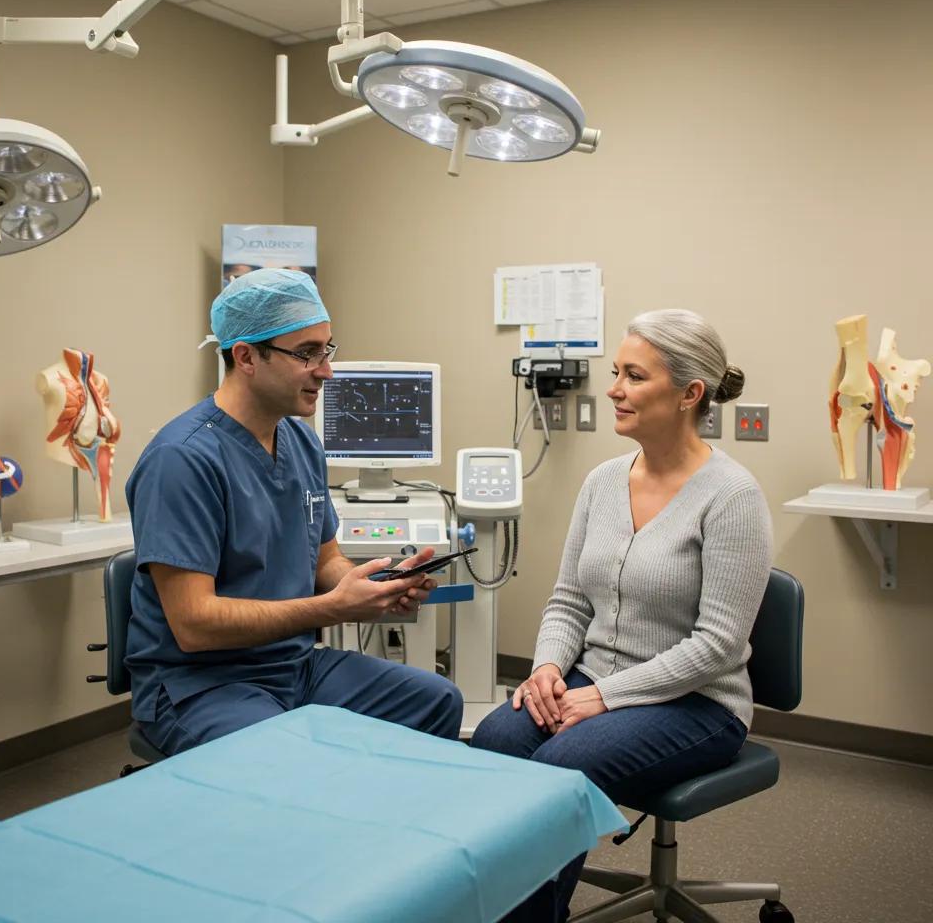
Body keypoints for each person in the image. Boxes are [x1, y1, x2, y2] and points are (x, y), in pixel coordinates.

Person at [472, 309, 772, 923]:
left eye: (633, 376)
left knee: (560, 770)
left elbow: (716, 646)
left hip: (698, 703)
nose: (613, 389)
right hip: (594, 683)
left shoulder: (733, 496)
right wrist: (549, 669)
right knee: (496, 741)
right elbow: (569, 599)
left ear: (690, 394)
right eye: (615, 373)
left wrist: (603, 697)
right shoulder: (603, 481)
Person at [125, 268, 463, 754]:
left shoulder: (301, 441)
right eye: (306, 353)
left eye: (327, 349)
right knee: (288, 755)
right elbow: (194, 624)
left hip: (293, 667)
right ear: (246, 357)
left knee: (436, 701)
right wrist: (332, 608)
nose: (326, 370)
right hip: (201, 685)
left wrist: (370, 585)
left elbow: (325, 561)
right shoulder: (182, 460)